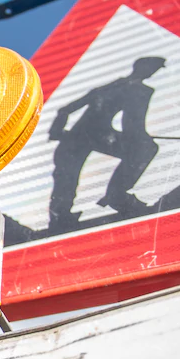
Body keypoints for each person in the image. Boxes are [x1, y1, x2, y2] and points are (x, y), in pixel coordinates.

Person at [47, 56, 165, 231]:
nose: (152, 72)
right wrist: (142, 139)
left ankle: (61, 215)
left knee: (67, 175)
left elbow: (65, 110)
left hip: (82, 136)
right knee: (146, 148)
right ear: (143, 67)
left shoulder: (113, 85)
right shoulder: (138, 90)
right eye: (153, 68)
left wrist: (57, 132)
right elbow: (132, 125)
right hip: (92, 136)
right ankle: (117, 196)